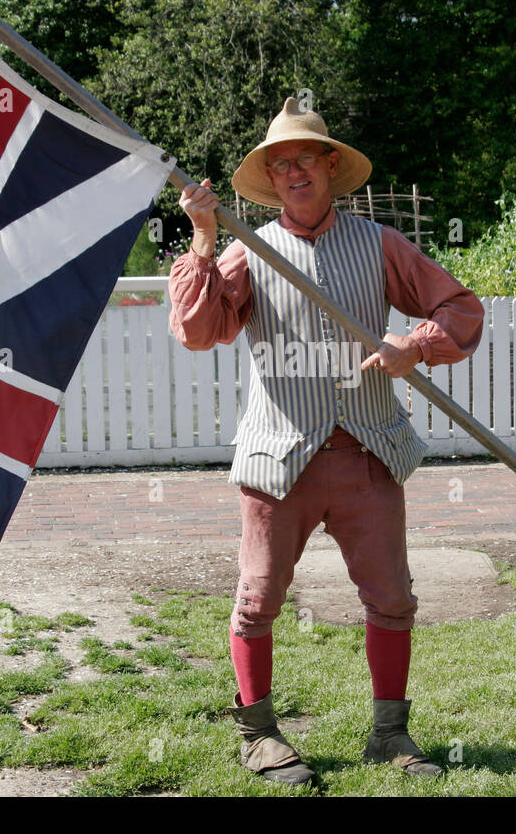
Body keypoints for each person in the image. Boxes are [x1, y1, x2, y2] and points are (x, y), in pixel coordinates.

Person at [168, 98, 484, 785]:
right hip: (277, 458)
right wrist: (199, 238)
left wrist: (416, 344)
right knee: (257, 600)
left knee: (392, 597)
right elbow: (198, 330)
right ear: (269, 180)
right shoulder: (245, 250)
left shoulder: (380, 245)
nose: (291, 173)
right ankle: (259, 736)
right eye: (278, 165)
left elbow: (461, 310)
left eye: (303, 159)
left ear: (330, 166)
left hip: (368, 454)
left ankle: (390, 733)